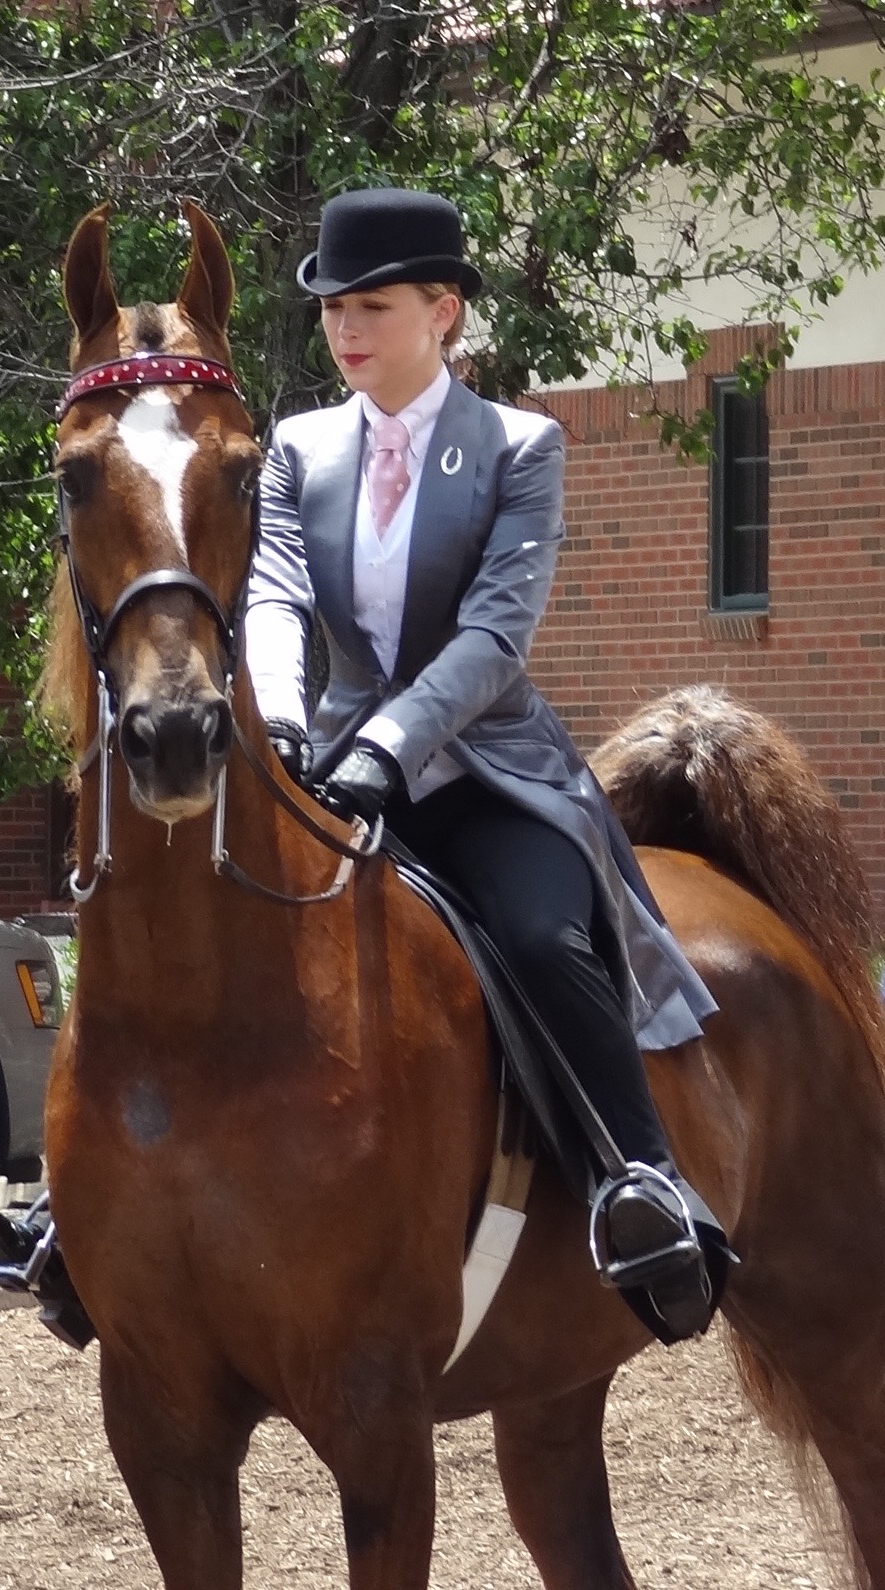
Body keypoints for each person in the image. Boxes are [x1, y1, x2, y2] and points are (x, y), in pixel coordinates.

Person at [245, 185, 731, 1342]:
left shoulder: (521, 446)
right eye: (329, 310)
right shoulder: (297, 448)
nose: (343, 329)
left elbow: (494, 639)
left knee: (542, 943)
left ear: (443, 309)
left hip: (484, 778)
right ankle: (78, 1205)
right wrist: (276, 724)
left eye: (369, 306)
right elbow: (270, 593)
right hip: (326, 767)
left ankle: (640, 1181)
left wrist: (387, 747)